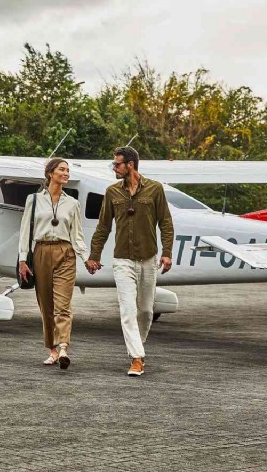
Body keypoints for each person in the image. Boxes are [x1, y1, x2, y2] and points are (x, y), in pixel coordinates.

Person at [86, 146, 174, 377]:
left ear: (130, 165)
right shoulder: (112, 192)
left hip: (148, 259)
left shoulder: (155, 189)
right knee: (127, 310)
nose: (114, 168)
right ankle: (136, 358)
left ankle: (138, 347)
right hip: (122, 260)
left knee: (145, 311)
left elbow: (165, 222)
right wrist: (94, 256)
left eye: (117, 164)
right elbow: (103, 226)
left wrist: (167, 252)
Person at [18, 158, 89, 370]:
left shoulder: (73, 203)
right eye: (62, 169)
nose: (66, 173)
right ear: (50, 173)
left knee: (63, 304)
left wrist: (86, 258)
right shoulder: (33, 200)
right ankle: (52, 350)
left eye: (68, 170)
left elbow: (77, 235)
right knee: (46, 305)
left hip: (65, 252)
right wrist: (23, 258)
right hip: (40, 251)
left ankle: (64, 347)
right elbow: (25, 231)